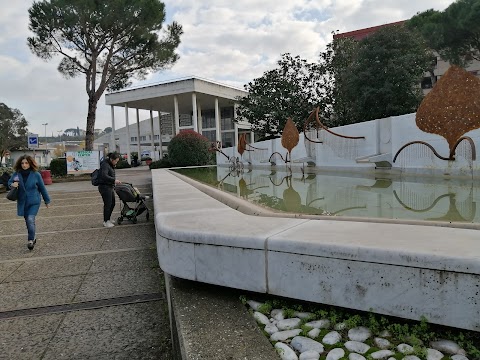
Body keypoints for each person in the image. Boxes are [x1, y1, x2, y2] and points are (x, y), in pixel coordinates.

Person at [8, 155, 50, 250]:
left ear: (30, 163)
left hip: (34, 201)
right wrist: (12, 184)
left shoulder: (36, 174)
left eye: (26, 163)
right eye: (22, 163)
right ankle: (33, 236)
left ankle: (30, 240)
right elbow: (9, 183)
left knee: (31, 219)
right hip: (22, 202)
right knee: (28, 221)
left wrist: (47, 200)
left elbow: (42, 188)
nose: (24, 165)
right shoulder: (16, 174)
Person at [98, 152, 121, 227]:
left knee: (112, 203)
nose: (116, 162)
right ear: (111, 159)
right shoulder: (105, 165)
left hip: (109, 186)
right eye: (116, 161)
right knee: (108, 204)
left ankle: (108, 218)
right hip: (104, 187)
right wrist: (114, 180)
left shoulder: (110, 164)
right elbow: (104, 175)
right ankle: (106, 221)